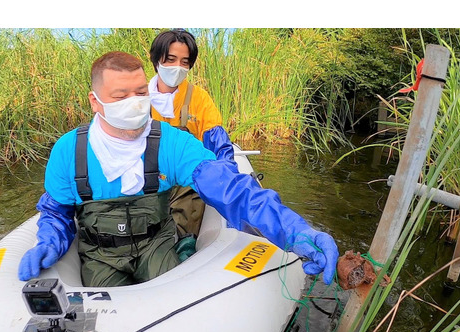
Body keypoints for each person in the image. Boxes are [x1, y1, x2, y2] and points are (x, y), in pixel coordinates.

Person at [17, 51, 339, 288]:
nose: (135, 102)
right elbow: (57, 212)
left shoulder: (171, 143)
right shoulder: (68, 152)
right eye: (121, 95)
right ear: (95, 101)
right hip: (99, 254)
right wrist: (49, 241)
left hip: (157, 245)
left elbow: (233, 190)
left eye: (141, 92)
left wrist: (297, 231)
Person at [149, 29, 234, 242]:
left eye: (184, 62)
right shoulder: (137, 96)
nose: (177, 67)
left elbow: (218, 143)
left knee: (181, 223)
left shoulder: (199, 98)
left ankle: (180, 245)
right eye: (170, 59)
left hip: (186, 180)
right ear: (156, 59)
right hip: (148, 178)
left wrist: (229, 182)